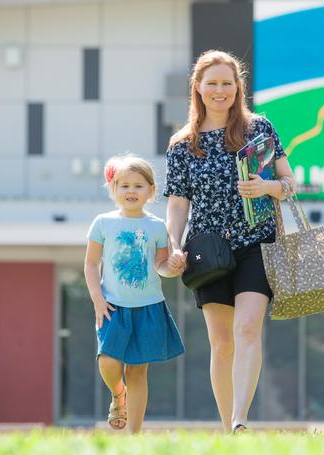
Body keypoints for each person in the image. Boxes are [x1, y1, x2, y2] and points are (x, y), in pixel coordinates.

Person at [164, 50, 295, 433]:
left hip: (257, 241)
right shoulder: (183, 144)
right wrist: (174, 245)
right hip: (207, 251)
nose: (220, 90)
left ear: (238, 87)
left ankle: (240, 419)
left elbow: (291, 184)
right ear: (198, 89)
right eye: (213, 83)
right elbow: (177, 204)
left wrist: (267, 186)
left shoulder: (259, 129)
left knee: (248, 328)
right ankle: (227, 429)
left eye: (227, 83)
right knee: (221, 343)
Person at [84, 153, 185, 433]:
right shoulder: (103, 223)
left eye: (138, 185)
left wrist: (173, 266)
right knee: (107, 360)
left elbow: (161, 265)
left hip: (149, 307)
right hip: (112, 306)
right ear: (113, 189)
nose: (131, 191)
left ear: (151, 191)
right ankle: (119, 395)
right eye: (124, 185)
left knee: (138, 370)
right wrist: (97, 298)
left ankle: (135, 436)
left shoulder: (156, 227)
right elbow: (91, 264)